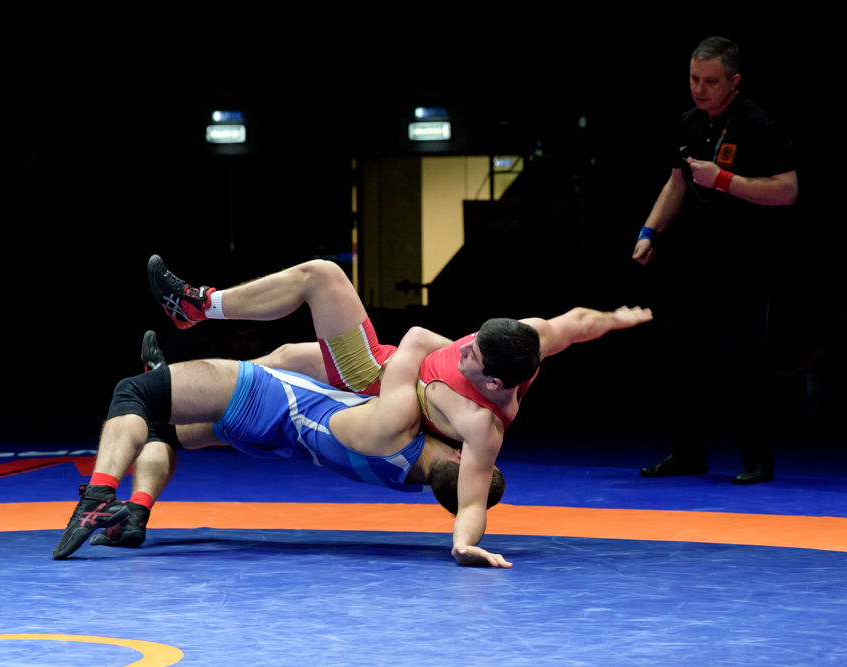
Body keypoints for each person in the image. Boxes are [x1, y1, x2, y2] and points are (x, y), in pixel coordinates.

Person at [147, 254, 653, 564]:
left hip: (374, 381)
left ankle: (196, 309)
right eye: (471, 340)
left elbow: (472, 501)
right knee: (281, 360)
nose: (463, 347)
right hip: (391, 368)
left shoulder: (482, 426)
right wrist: (617, 318)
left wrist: (464, 545)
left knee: (321, 277)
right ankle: (169, 391)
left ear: (495, 383)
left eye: (472, 356)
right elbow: (578, 322)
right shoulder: (528, 340)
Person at [53, 327, 509, 565]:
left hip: (264, 395)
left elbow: (416, 341)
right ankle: (135, 512)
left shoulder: (399, 421)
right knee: (160, 431)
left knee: (132, 393)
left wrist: (488, 394)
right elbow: (469, 503)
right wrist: (462, 542)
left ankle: (99, 495)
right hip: (269, 438)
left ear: (460, 455)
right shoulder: (404, 477)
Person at [632, 36, 798, 484]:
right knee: (683, 356)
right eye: (693, 79)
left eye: (710, 82)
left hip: (745, 260)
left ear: (733, 81)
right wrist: (649, 231)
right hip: (692, 258)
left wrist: (724, 180)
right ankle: (687, 453)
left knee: (743, 360)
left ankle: (758, 459)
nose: (699, 89)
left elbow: (786, 190)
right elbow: (676, 184)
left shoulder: (758, 124)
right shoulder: (689, 122)